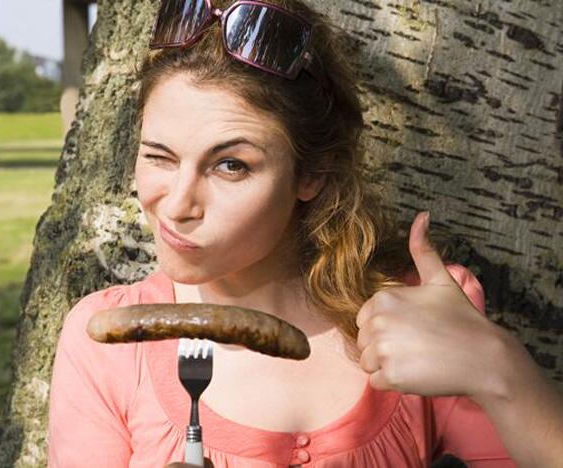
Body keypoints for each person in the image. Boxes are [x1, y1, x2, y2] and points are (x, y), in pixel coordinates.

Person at [47, 0, 563, 466]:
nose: (177, 206)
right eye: (158, 157)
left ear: (311, 174)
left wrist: (500, 370)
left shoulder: (419, 311)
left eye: (230, 166)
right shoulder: (106, 340)